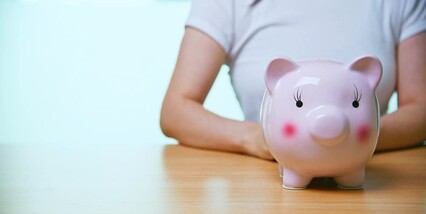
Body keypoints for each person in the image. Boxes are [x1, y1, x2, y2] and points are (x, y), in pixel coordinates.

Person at [160, 0, 426, 160]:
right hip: (266, 176)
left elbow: (420, 108)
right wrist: (257, 138)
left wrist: (359, 139)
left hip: (368, 176)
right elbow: (176, 110)